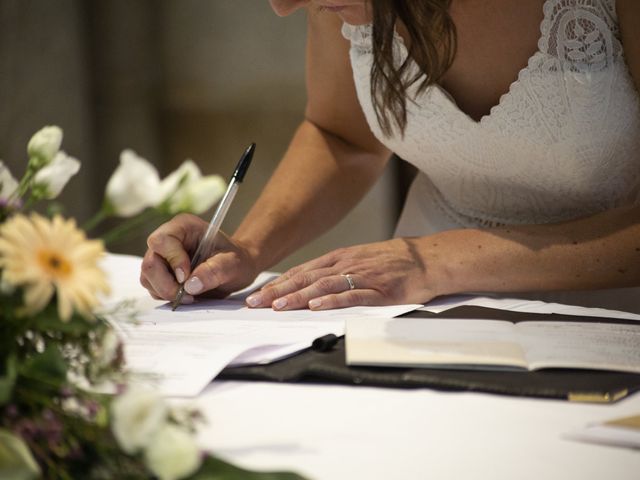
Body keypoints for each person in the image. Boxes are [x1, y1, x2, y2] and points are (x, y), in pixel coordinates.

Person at [140, 0, 640, 313]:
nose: (282, 6)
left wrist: (439, 260)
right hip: (429, 311)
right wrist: (247, 249)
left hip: (615, 320)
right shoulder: (340, 7)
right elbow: (343, 136)